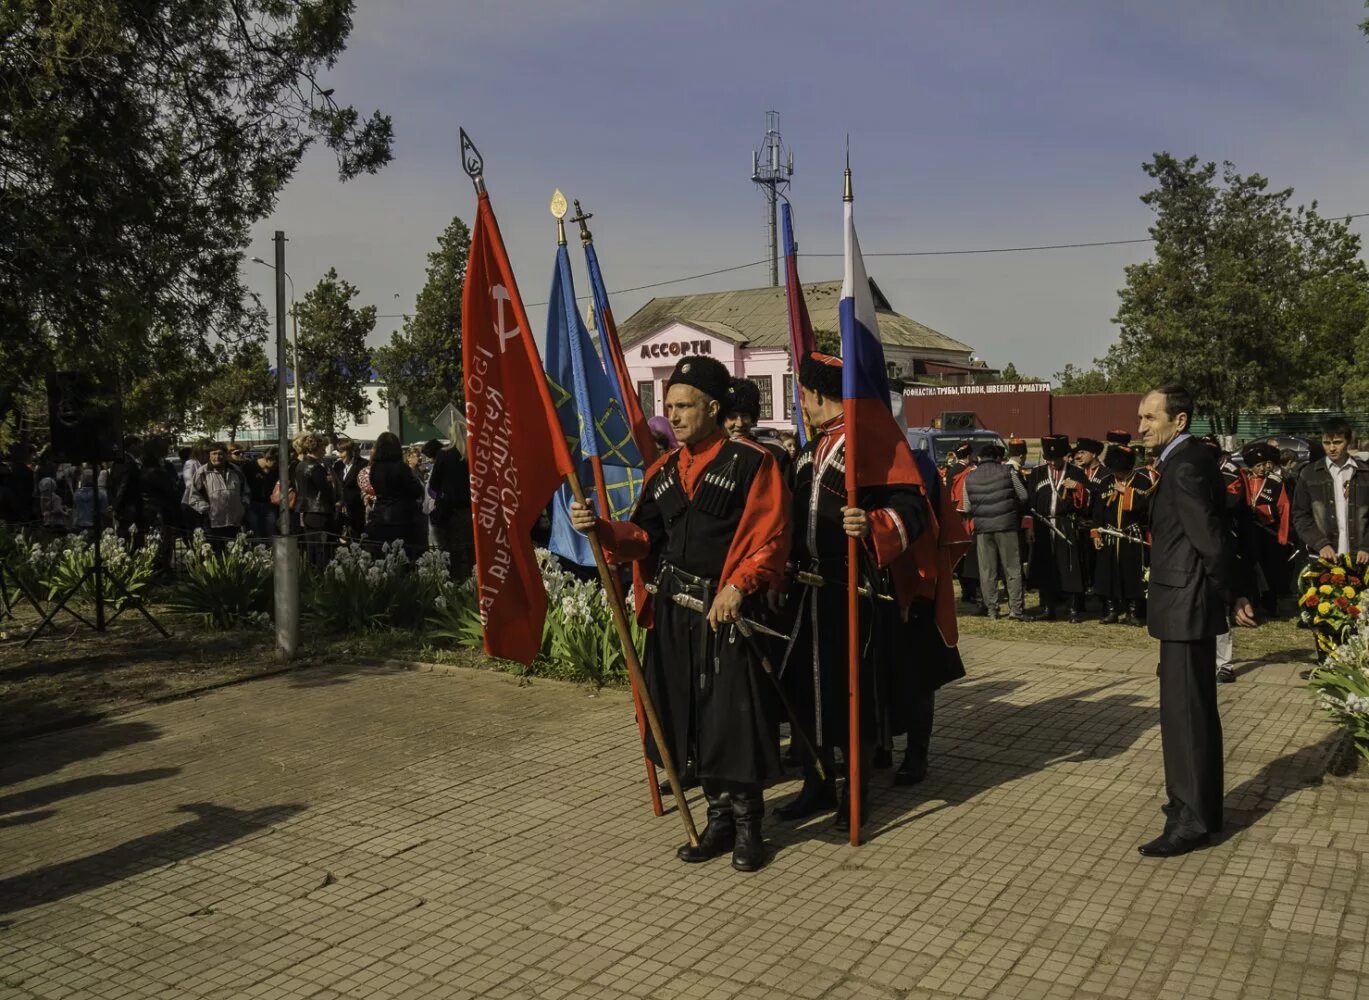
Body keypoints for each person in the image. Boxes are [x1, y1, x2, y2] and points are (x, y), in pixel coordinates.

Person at [568, 355, 790, 872]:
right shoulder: (662, 472)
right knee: (689, 717)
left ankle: (749, 826)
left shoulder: (753, 461)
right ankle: (716, 819)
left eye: (685, 405)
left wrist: (738, 585)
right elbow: (645, 537)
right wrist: (600, 529)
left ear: (713, 408)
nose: (675, 415)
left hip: (727, 611)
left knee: (732, 720)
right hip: (674, 612)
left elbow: (771, 534)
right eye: (669, 407)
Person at [775, 351, 929, 828]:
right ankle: (817, 784)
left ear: (819, 394)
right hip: (807, 593)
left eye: (802, 395)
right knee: (807, 692)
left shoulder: (873, 445)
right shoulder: (806, 451)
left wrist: (873, 522)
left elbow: (914, 508)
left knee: (851, 695)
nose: (801, 404)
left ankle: (855, 793)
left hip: (851, 592)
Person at [1136, 385, 1256, 858]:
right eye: (1141, 417)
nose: (1141, 425)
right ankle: (1193, 805)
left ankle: (1192, 821)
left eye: (1150, 417)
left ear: (1178, 421)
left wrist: (1234, 593)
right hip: (1184, 602)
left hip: (1186, 605)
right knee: (1190, 713)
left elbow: (1209, 539)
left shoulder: (1184, 465)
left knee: (1186, 717)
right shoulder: (1187, 459)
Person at [1291, 417, 1369, 671]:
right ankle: (1327, 668)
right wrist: (1320, 542)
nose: (1332, 448)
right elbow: (1300, 516)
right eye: (1326, 442)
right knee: (1324, 615)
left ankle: (1356, 670)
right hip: (1325, 559)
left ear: (1349, 442)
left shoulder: (1365, 473)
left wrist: (1366, 546)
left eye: (1337, 442)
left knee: (1358, 617)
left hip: (1359, 558)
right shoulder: (1309, 474)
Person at [1089, 445, 1155, 626]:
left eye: (1121, 472)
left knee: (1133, 573)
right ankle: (1111, 610)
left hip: (1131, 534)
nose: (1117, 475)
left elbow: (1148, 506)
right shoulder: (1105, 481)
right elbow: (1098, 511)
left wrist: (1127, 493)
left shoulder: (1142, 482)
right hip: (1109, 533)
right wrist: (1096, 533)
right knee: (1107, 573)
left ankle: (1133, 611)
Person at [1027, 435, 1090, 621]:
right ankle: (1047, 607)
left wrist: (1078, 487)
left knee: (1069, 566)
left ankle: (1073, 609)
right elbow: (1029, 503)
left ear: (1064, 456)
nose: (1053, 462)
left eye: (1056, 458)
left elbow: (1087, 501)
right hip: (1043, 525)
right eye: (1050, 458)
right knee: (1046, 566)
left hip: (1065, 524)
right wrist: (1029, 528)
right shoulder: (1037, 473)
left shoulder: (1076, 473)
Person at [963, 442, 1027, 621]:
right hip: (1007, 525)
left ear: (981, 458)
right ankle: (1016, 609)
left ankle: (992, 609)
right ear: (998, 457)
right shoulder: (1008, 472)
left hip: (983, 528)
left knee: (987, 571)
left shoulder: (970, 476)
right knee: (1012, 568)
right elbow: (1023, 495)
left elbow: (967, 507)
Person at [1241, 441, 1291, 620]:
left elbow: (1284, 508)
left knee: (1270, 569)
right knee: (1249, 568)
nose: (1262, 469)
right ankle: (1251, 606)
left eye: (1264, 465)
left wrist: (1283, 535)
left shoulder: (1275, 482)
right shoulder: (1243, 479)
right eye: (1257, 465)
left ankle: (1271, 606)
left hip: (1268, 532)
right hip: (1248, 532)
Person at [365, 431, 424, 552]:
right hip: (402, 517)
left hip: (380, 515)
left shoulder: (375, 468)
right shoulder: (401, 467)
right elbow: (416, 490)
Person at [424, 438, 473, 578]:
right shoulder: (474, 454)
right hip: (472, 510)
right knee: (471, 552)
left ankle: (457, 583)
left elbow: (433, 486)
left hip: (450, 510)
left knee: (454, 552)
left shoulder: (444, 456)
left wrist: (440, 496)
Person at [723, 377, 792, 477]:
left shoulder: (775, 453)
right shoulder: (714, 454)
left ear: (753, 417)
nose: (740, 423)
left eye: (745, 415)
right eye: (732, 416)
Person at [188, 442, 248, 545]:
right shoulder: (202, 472)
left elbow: (246, 491)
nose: (217, 457)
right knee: (215, 556)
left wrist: (244, 505)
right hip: (213, 523)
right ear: (209, 455)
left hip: (235, 522)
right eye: (214, 453)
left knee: (234, 555)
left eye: (220, 453)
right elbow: (194, 496)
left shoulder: (236, 470)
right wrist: (205, 509)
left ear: (225, 454)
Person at [293, 432, 337, 568]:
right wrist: (331, 483)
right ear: (316, 448)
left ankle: (313, 578)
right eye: (323, 448)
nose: (324, 451)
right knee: (322, 551)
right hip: (320, 511)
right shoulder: (316, 467)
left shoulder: (300, 465)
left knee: (312, 548)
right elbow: (325, 490)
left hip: (307, 511)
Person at [331, 439, 368, 540]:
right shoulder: (338, 465)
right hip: (340, 510)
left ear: (350, 451)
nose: (339, 455)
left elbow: (364, 487)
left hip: (357, 509)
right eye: (338, 452)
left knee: (357, 537)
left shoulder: (363, 464)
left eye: (342, 452)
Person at [241, 447, 280, 541]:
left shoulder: (275, 470)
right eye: (276, 463)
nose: (277, 466)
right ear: (269, 459)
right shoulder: (249, 467)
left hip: (269, 504)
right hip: (252, 503)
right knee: (254, 532)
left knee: (270, 532)